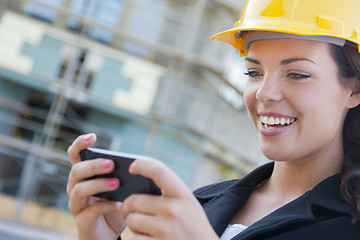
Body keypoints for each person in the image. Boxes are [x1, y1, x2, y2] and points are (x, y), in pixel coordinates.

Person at [66, 0, 360, 239]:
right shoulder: (198, 204)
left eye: (297, 74)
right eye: (253, 72)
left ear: (354, 89)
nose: (264, 93)